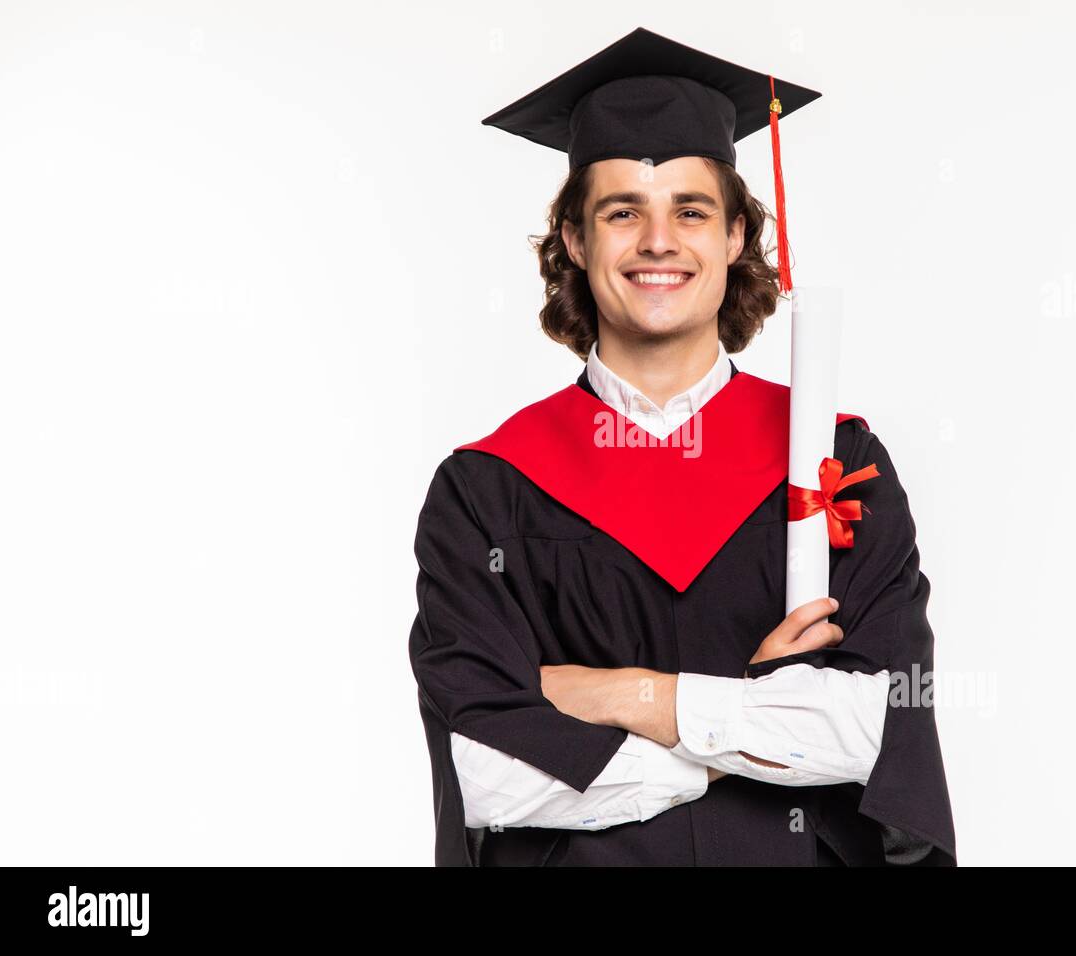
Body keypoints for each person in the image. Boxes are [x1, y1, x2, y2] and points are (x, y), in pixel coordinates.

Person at [408, 27, 956, 866]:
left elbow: (869, 732)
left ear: (736, 237)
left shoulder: (837, 462)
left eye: (690, 210)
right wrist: (747, 735)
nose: (658, 241)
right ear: (577, 242)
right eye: (622, 211)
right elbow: (484, 772)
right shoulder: (487, 490)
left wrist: (626, 696)